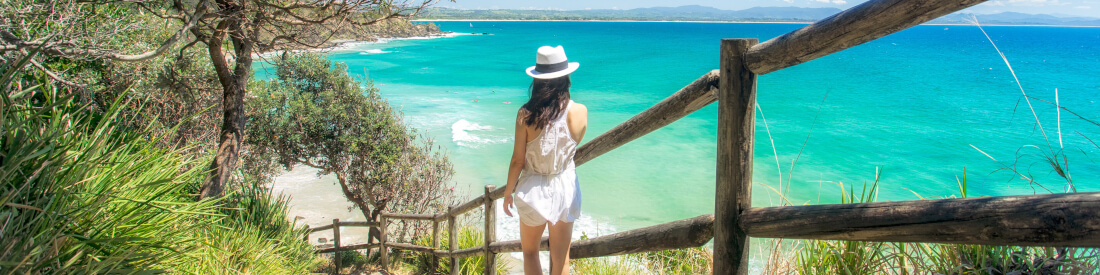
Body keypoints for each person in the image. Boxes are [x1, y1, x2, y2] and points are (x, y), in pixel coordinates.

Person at [503, 45, 587, 275]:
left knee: (530, 253)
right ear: (565, 78)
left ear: (538, 80)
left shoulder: (526, 114)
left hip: (533, 189)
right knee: (561, 258)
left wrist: (508, 192)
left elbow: (517, 161)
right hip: (564, 186)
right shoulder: (580, 111)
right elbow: (572, 145)